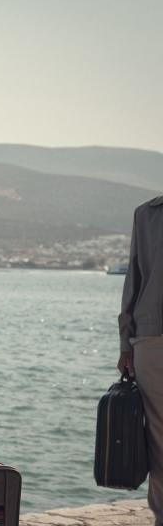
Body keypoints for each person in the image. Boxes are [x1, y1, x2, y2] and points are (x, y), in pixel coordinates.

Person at [118, 195, 163, 525]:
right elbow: (133, 278)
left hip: (149, 340)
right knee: (158, 443)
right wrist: (126, 344)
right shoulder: (146, 214)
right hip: (151, 341)